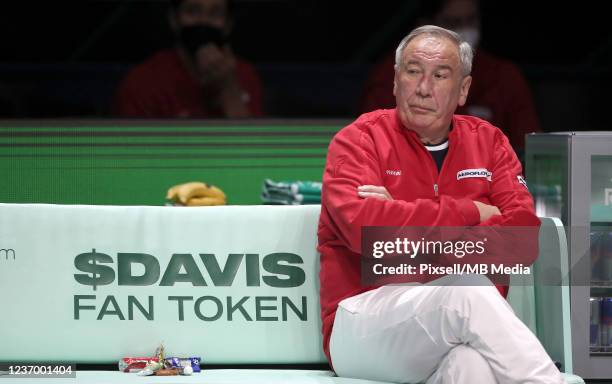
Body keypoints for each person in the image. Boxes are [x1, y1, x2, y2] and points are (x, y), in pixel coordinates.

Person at [318, 25, 563, 383]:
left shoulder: (490, 142)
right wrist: (471, 213)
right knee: (467, 290)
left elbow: (521, 241)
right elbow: (368, 235)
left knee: (471, 366)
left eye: (439, 75)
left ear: (463, 89)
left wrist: (401, 219)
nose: (422, 88)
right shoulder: (359, 140)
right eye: (413, 72)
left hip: (455, 329)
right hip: (362, 323)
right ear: (395, 81)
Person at [359, 0, 540, 153]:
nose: (423, 89)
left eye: (470, 21)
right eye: (453, 22)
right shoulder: (391, 73)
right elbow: (373, 141)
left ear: (464, 87)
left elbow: (530, 150)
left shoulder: (504, 76)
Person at [113, 0, 262, 118]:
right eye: (192, 11)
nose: (203, 21)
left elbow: (256, 150)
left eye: (215, 13)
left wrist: (230, 92)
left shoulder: (245, 75)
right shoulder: (141, 81)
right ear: (174, 19)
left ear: (228, 24)